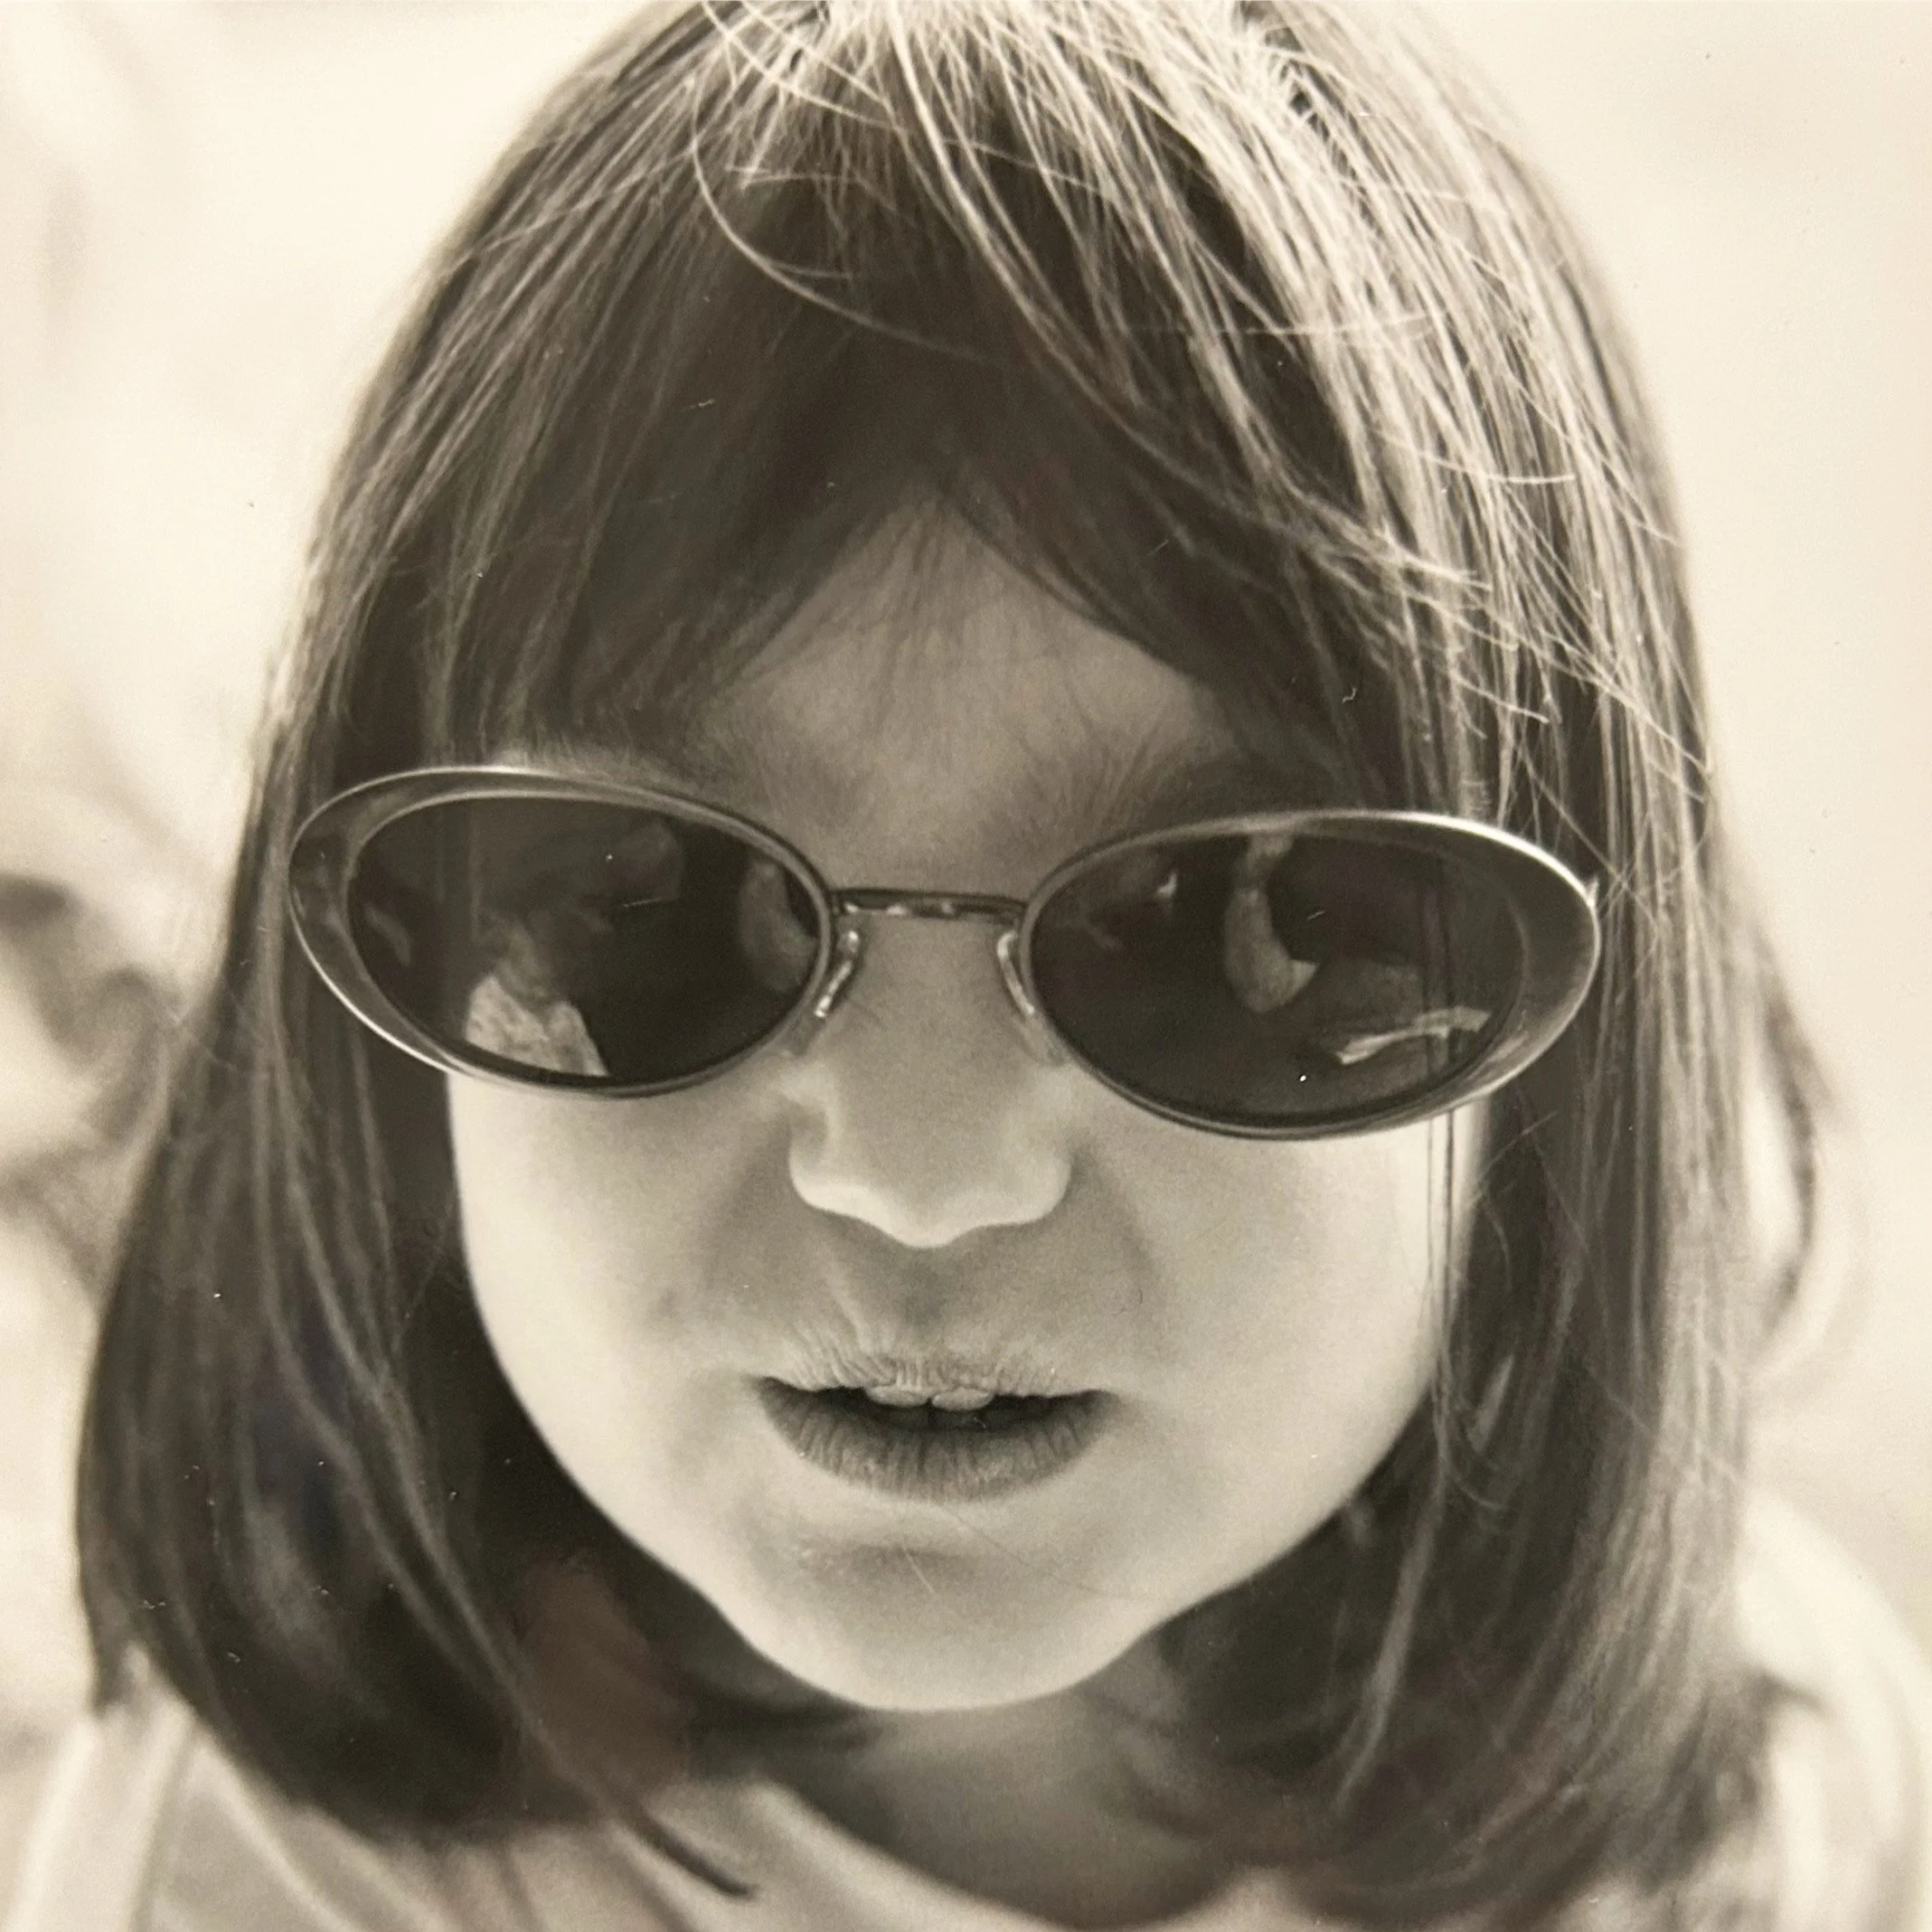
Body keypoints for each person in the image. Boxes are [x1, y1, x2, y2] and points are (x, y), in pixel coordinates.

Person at [5, 3, 1927, 1927]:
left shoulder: (1770, 1814)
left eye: (1241, 931)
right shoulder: (247, 1883)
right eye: (640, 914)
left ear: (1564, 1073)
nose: (920, 1174)